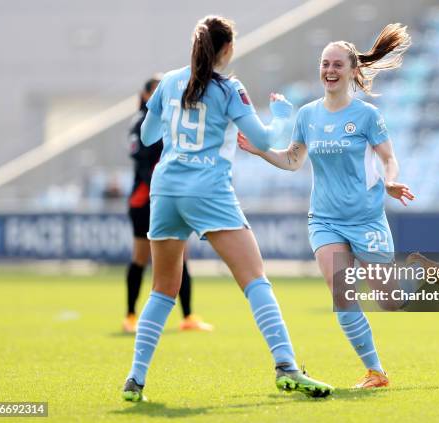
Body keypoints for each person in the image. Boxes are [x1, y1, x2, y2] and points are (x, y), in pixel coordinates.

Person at [122, 15, 334, 402]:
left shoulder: (168, 81)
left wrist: (172, 122)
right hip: (208, 190)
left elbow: (150, 135)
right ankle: (286, 366)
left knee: (162, 289)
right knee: (254, 278)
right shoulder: (229, 88)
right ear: (227, 49)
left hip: (166, 189)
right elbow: (262, 138)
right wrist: (284, 116)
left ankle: (135, 378)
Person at [238, 23, 439, 389]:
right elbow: (293, 161)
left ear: (353, 71)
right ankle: (375, 371)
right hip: (324, 219)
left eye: (337, 65)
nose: (329, 71)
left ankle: (418, 273)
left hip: (366, 219)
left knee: (390, 302)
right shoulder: (308, 115)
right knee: (340, 288)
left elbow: (389, 159)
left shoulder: (368, 116)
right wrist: (260, 150)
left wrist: (390, 182)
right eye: (325, 64)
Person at [123, 76, 213, 334]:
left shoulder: (173, 120)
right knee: (140, 257)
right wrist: (165, 186)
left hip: (170, 196)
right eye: (157, 92)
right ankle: (130, 315)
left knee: (182, 257)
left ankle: (188, 316)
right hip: (145, 200)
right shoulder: (141, 124)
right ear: (145, 95)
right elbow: (142, 165)